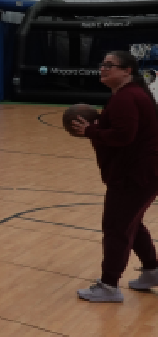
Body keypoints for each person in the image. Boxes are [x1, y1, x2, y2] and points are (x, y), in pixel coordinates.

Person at [71, 50, 158, 303]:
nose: (103, 68)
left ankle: (109, 286)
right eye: (102, 64)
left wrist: (91, 131)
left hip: (134, 176)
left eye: (110, 65)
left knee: (116, 228)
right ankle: (152, 271)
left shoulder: (126, 98)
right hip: (144, 174)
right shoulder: (130, 94)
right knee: (132, 223)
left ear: (126, 71)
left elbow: (123, 136)